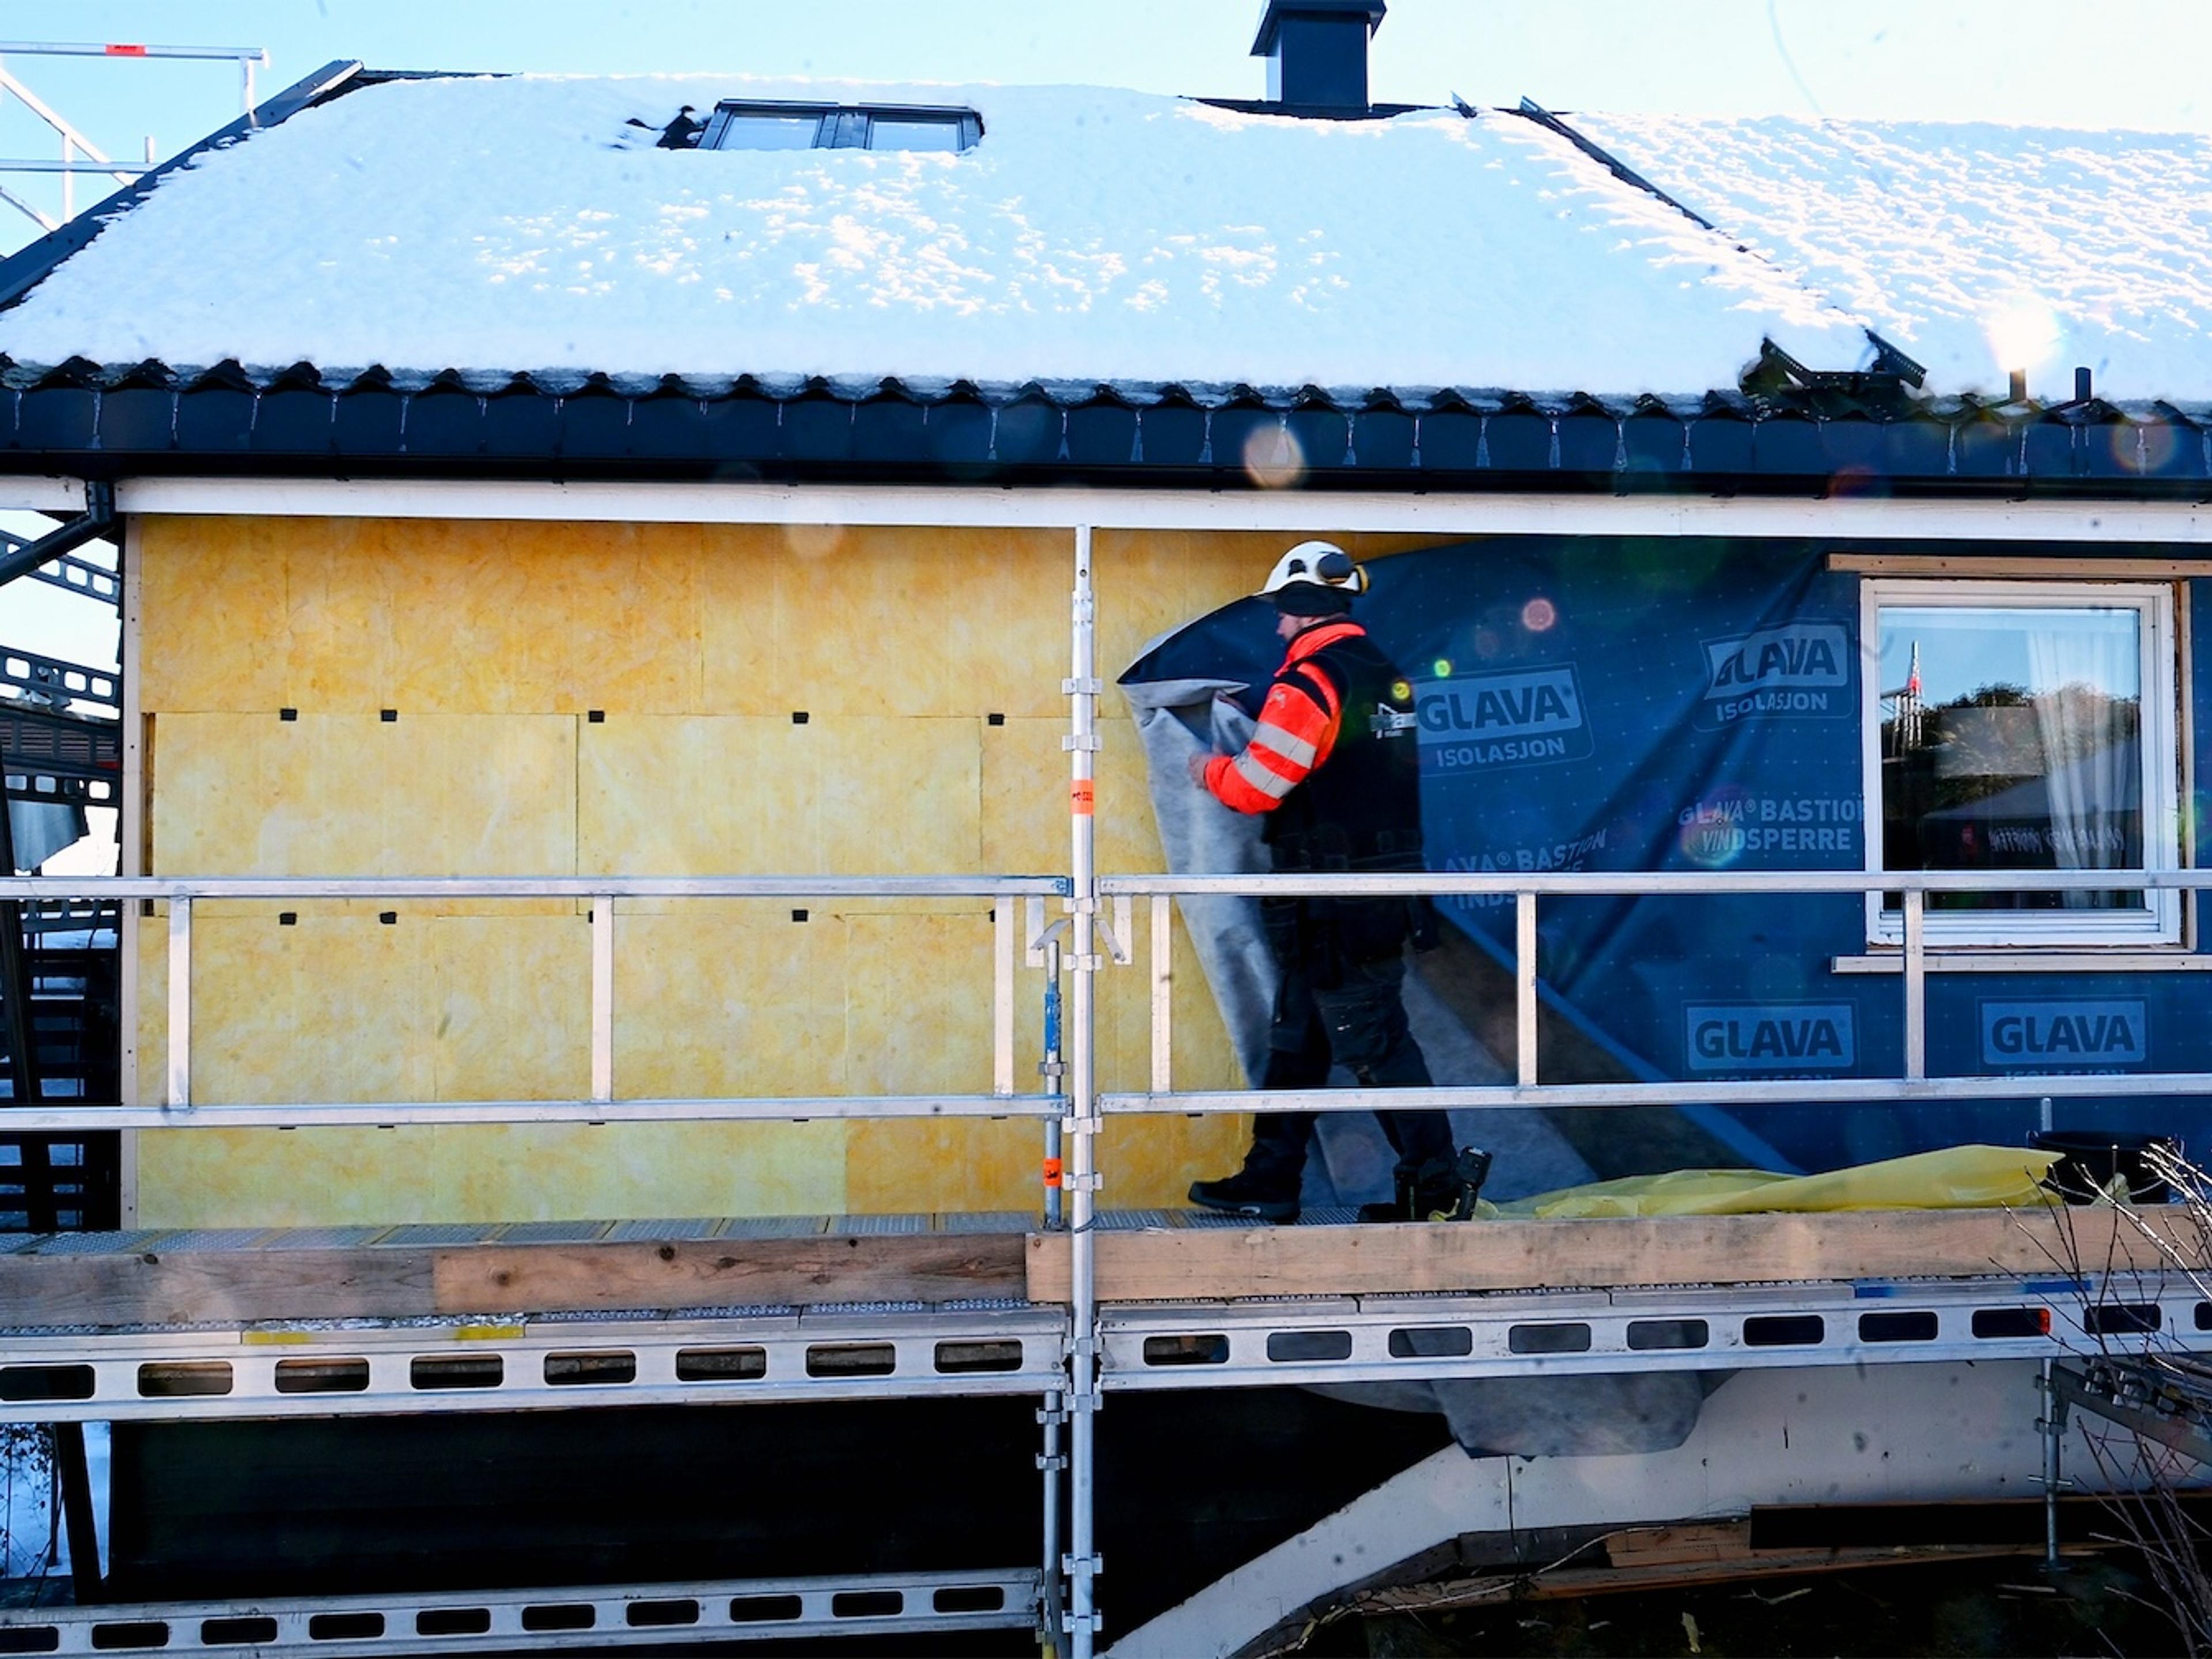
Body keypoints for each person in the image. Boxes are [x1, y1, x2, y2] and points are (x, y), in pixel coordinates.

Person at [1185, 541, 1484, 1225]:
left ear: (1300, 607)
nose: (1277, 628)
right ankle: (1271, 1179)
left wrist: (1205, 771)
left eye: (1281, 614)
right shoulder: (1384, 674)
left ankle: (1437, 1193)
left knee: (1375, 1042)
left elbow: (1261, 786)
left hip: (1334, 904)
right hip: (1371, 898)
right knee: (1299, 1041)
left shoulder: (1309, 683)